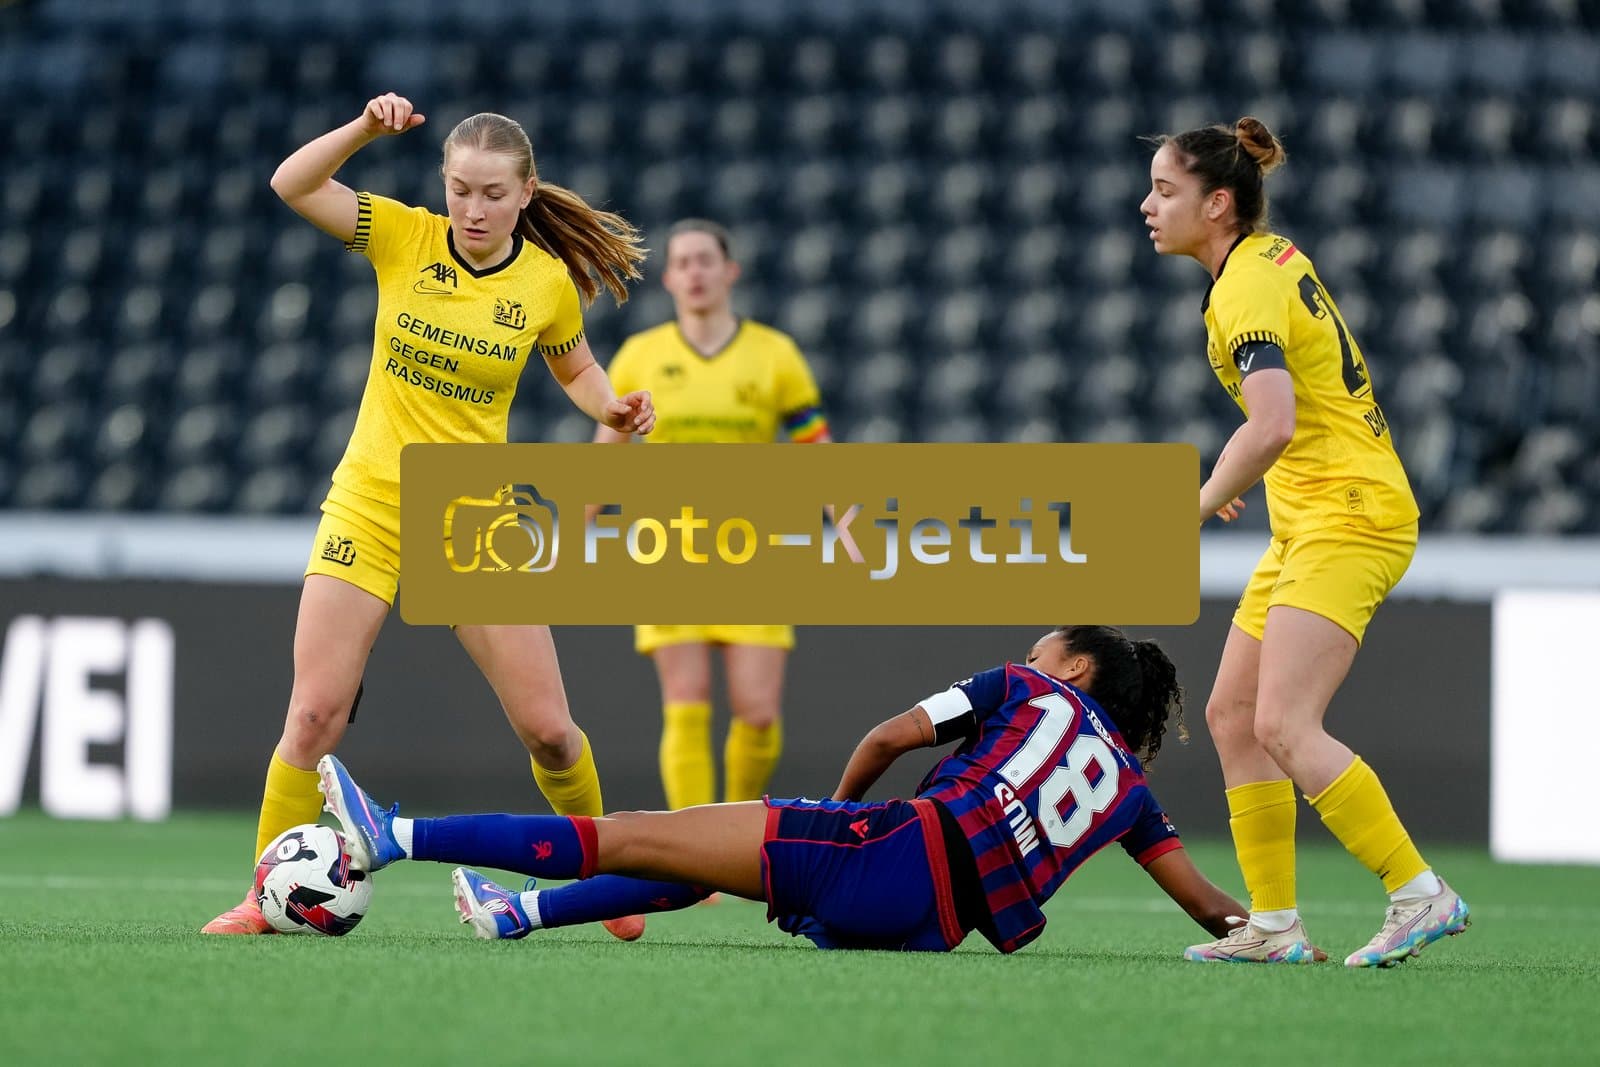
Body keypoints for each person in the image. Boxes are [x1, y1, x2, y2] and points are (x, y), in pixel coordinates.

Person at [202, 93, 656, 941]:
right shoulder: (404, 236)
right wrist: (366, 131)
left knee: (552, 733)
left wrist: (615, 408)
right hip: (371, 500)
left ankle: (606, 880)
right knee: (313, 713)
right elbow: (292, 182)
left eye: (491, 193)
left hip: (473, 518)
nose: (472, 209)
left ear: (526, 193)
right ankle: (261, 901)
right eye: (458, 189)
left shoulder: (545, 283)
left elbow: (577, 369)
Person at [315, 626, 1254, 956]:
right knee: (696, 865)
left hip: (890, 852)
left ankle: (391, 832)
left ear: (1075, 666)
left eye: (1047, 643)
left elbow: (886, 735)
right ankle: (520, 913)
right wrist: (1271, 936)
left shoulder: (1027, 684)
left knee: (633, 832)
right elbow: (1208, 904)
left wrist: (845, 813)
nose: (1031, 651)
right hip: (926, 924)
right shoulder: (1130, 789)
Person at [1139, 117, 1471, 967]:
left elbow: (1273, 421)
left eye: (1166, 190)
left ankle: (1417, 891)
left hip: (1350, 513)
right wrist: (1240, 484)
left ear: (1218, 204)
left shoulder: (1244, 285)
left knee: (1286, 720)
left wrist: (1201, 497)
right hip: (1314, 513)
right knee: (1234, 714)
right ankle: (1276, 925)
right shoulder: (1265, 257)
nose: (1148, 205)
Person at [594, 219, 832, 811]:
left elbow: (816, 449)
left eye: (706, 260)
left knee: (757, 711)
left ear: (730, 272)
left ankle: (736, 829)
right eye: (683, 262)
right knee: (687, 697)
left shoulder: (775, 355)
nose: (695, 272)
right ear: (670, 277)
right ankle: (693, 856)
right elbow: (606, 454)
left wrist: (850, 523)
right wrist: (579, 521)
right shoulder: (639, 355)